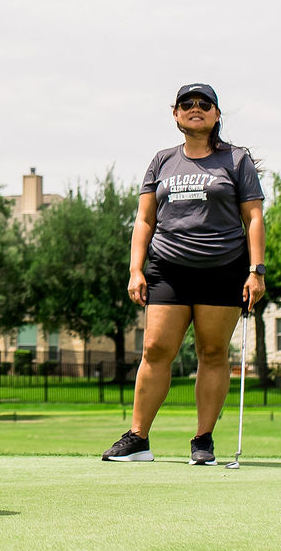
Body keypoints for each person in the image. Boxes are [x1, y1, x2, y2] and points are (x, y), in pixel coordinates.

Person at [102, 83, 264, 466]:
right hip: (168, 267)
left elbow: (253, 217)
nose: (196, 109)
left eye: (204, 104)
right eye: (186, 104)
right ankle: (138, 438)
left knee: (212, 352)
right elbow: (144, 220)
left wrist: (256, 271)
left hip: (222, 268)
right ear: (174, 114)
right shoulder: (161, 160)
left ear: (217, 114)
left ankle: (203, 440)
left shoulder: (236, 160)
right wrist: (135, 269)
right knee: (156, 349)